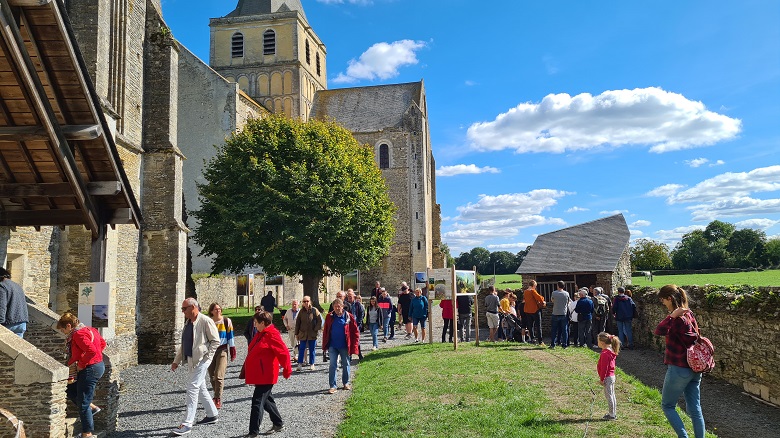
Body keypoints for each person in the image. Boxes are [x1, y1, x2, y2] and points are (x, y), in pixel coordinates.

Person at [654, 285, 706, 438]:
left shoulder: (677, 319)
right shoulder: (690, 314)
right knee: (695, 408)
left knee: (668, 405)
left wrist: (671, 316)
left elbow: (659, 331)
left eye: (663, 300)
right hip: (695, 368)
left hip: (679, 368)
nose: (662, 303)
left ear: (669, 298)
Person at [171, 298, 221, 435]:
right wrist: (176, 361)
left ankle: (187, 423)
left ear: (193, 307)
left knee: (192, 387)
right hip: (192, 360)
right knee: (200, 388)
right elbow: (184, 344)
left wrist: (207, 358)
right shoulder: (188, 323)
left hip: (202, 360)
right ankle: (212, 414)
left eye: (184, 309)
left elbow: (215, 341)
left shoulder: (205, 321)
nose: (182, 312)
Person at [243, 310, 292, 437]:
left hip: (266, 375)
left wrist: (287, 368)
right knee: (267, 400)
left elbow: (283, 352)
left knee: (257, 402)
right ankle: (278, 423)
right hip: (261, 374)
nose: (254, 325)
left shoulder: (271, 335)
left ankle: (253, 432)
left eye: (256, 323)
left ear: (263, 323)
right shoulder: (261, 333)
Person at [57, 313, 106, 438]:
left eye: (63, 330)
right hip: (98, 366)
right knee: (70, 390)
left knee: (83, 402)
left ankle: (87, 434)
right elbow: (102, 344)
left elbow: (92, 350)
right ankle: (92, 408)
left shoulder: (78, 334)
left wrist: (82, 363)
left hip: (90, 368)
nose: (64, 333)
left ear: (69, 325)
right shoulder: (91, 330)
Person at [322, 298, 360, 394]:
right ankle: (332, 386)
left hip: (344, 345)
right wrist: (324, 345)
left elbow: (355, 332)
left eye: (339, 306)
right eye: (335, 306)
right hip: (333, 346)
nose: (337, 308)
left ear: (343, 306)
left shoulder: (348, 317)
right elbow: (326, 331)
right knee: (332, 365)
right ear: (333, 307)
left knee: (346, 364)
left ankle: (346, 383)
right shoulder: (329, 317)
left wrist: (355, 345)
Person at [207, 303, 236, 409]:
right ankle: (216, 394)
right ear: (211, 311)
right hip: (210, 351)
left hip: (222, 350)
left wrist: (232, 349)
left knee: (219, 375)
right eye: (215, 309)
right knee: (212, 376)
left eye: (219, 309)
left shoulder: (226, 321)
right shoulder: (208, 322)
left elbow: (230, 336)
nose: (218, 311)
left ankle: (217, 398)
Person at [294, 296, 322, 371]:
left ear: (310, 302)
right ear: (302, 303)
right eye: (304, 301)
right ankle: (300, 364)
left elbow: (320, 321)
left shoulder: (314, 310)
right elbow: (298, 323)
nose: (306, 303)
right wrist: (296, 333)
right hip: (303, 334)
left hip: (312, 334)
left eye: (307, 301)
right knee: (302, 348)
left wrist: (316, 329)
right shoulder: (301, 312)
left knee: (312, 349)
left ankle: (312, 364)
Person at [597, 332, 620, 420]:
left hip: (607, 377)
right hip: (611, 377)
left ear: (602, 343)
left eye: (598, 341)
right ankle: (613, 413)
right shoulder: (610, 350)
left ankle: (612, 415)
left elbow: (604, 368)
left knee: (609, 396)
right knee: (611, 395)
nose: (597, 343)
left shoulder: (605, 354)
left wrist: (602, 379)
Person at [0, 267, 28, 338]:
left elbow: (1, 306)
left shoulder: (2, 286)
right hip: (22, 322)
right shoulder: (17, 286)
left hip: (9, 322)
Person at [523, 280, 546, 345]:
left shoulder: (525, 292)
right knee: (538, 326)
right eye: (535, 286)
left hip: (527, 310)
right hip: (535, 310)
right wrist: (543, 299)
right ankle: (540, 341)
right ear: (534, 286)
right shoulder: (532, 291)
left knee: (530, 326)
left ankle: (532, 339)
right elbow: (540, 298)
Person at [549, 281, 570, 349]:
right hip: (563, 313)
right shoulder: (566, 293)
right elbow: (568, 302)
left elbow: (552, 300)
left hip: (555, 313)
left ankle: (553, 344)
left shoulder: (554, 293)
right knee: (564, 330)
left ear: (558, 286)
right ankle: (564, 344)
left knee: (554, 330)